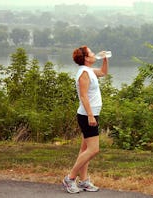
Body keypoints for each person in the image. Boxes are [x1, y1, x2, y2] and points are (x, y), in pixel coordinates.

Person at [62, 46, 108, 193]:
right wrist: (90, 116)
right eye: (92, 53)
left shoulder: (89, 71)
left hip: (92, 114)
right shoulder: (83, 73)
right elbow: (83, 96)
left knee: (85, 149)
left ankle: (84, 181)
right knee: (94, 149)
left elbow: (103, 72)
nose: (94, 54)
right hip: (87, 116)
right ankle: (70, 178)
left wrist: (105, 59)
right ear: (86, 58)